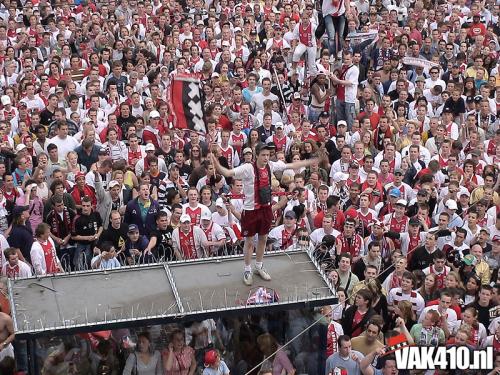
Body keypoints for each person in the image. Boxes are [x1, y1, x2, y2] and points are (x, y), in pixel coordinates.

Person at [212, 143, 317, 285]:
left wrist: (313, 160)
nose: (266, 158)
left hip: (265, 209)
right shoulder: (248, 168)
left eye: (268, 155)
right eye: (263, 155)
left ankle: (259, 266)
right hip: (250, 210)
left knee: (263, 239)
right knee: (249, 242)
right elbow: (227, 173)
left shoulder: (271, 166)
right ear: (256, 155)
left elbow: (291, 166)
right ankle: (247, 269)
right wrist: (215, 161)